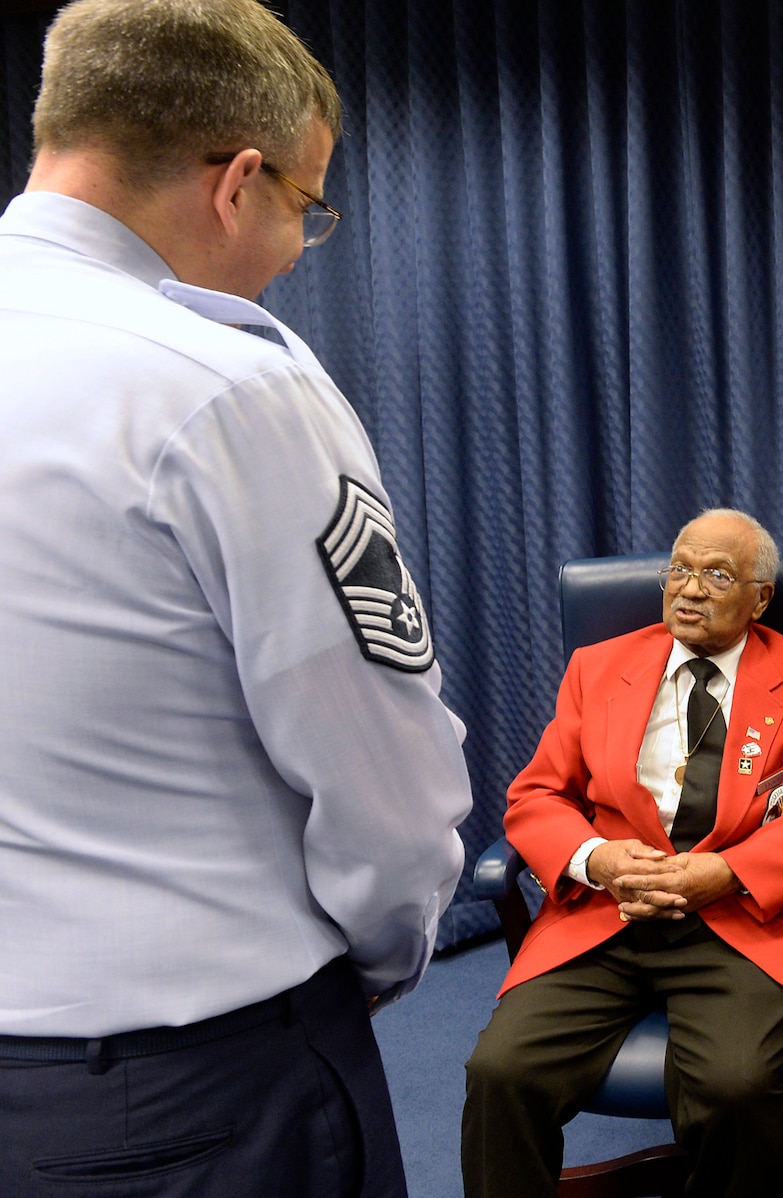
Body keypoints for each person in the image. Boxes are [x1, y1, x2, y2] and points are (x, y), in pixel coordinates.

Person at [0, 2, 474, 1195]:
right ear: (238, 182)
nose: (296, 250)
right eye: (307, 212)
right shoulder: (221, 389)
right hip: (200, 1096)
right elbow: (389, 796)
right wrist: (387, 950)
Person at [462, 509, 783, 1198]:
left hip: (741, 922)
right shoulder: (598, 669)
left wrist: (736, 871)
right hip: (606, 914)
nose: (689, 589)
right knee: (501, 1072)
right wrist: (596, 859)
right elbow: (535, 798)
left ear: (761, 598)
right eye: (680, 570)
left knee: (734, 1088)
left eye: (717, 575)